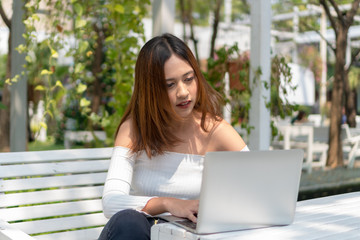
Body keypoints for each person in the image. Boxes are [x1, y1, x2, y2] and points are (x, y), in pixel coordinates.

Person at [98, 33, 249, 240]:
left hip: (189, 234)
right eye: (170, 85)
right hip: (140, 233)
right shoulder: (134, 129)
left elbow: (256, 191)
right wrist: (168, 203)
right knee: (129, 221)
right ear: (151, 90)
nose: (183, 92)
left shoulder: (215, 130)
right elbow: (111, 202)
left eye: (189, 79)